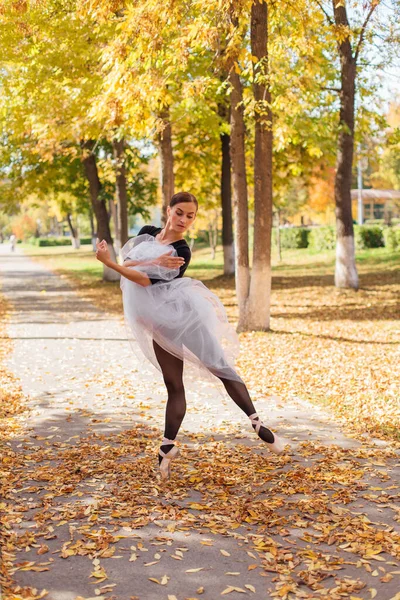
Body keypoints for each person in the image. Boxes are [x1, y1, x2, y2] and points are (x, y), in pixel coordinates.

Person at [95, 192, 286, 480]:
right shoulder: (147, 233)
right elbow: (131, 265)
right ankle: (167, 448)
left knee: (220, 366)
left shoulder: (182, 251)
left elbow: (145, 280)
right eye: (180, 212)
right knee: (174, 385)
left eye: (191, 215)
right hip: (159, 322)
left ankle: (259, 425)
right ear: (168, 211)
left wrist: (110, 264)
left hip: (184, 315)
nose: (184, 220)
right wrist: (142, 262)